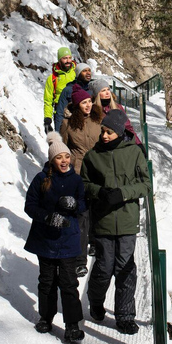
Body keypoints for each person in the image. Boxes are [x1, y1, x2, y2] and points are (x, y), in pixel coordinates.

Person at [81, 109, 152, 335]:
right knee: (103, 267)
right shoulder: (93, 156)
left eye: (109, 132)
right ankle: (96, 301)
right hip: (102, 221)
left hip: (128, 222)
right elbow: (83, 184)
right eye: (103, 131)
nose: (104, 136)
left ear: (120, 132)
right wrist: (99, 192)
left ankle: (125, 316)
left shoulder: (134, 153)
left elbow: (146, 185)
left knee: (125, 268)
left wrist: (123, 193)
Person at [24, 133, 86, 343]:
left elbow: (84, 203)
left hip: (68, 239)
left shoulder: (76, 180)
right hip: (46, 239)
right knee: (47, 281)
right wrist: (47, 216)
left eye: (66, 157)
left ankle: (72, 325)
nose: (64, 161)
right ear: (52, 160)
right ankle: (45, 317)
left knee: (69, 283)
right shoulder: (41, 179)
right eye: (59, 157)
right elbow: (30, 206)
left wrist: (75, 205)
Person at [60, 84, 103, 277]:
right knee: (82, 216)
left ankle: (94, 242)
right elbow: (61, 150)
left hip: (99, 170)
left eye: (89, 101)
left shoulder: (99, 119)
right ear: (77, 105)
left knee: (97, 210)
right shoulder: (68, 124)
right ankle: (80, 260)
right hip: (78, 173)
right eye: (83, 102)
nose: (87, 105)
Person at [88, 79, 142, 145]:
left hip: (119, 145)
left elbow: (128, 127)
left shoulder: (117, 107)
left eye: (108, 89)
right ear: (97, 94)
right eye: (103, 90)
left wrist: (138, 143)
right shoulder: (93, 110)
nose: (107, 93)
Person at [43, 47, 76, 134]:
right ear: (59, 60)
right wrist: (47, 120)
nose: (68, 61)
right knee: (61, 142)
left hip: (77, 110)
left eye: (69, 58)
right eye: (65, 58)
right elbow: (48, 100)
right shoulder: (52, 78)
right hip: (60, 113)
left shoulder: (77, 73)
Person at [54, 62, 93, 131]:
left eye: (89, 70)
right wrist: (58, 135)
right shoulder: (68, 90)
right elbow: (60, 113)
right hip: (72, 129)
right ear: (78, 74)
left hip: (89, 130)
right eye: (84, 71)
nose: (88, 73)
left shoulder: (91, 91)